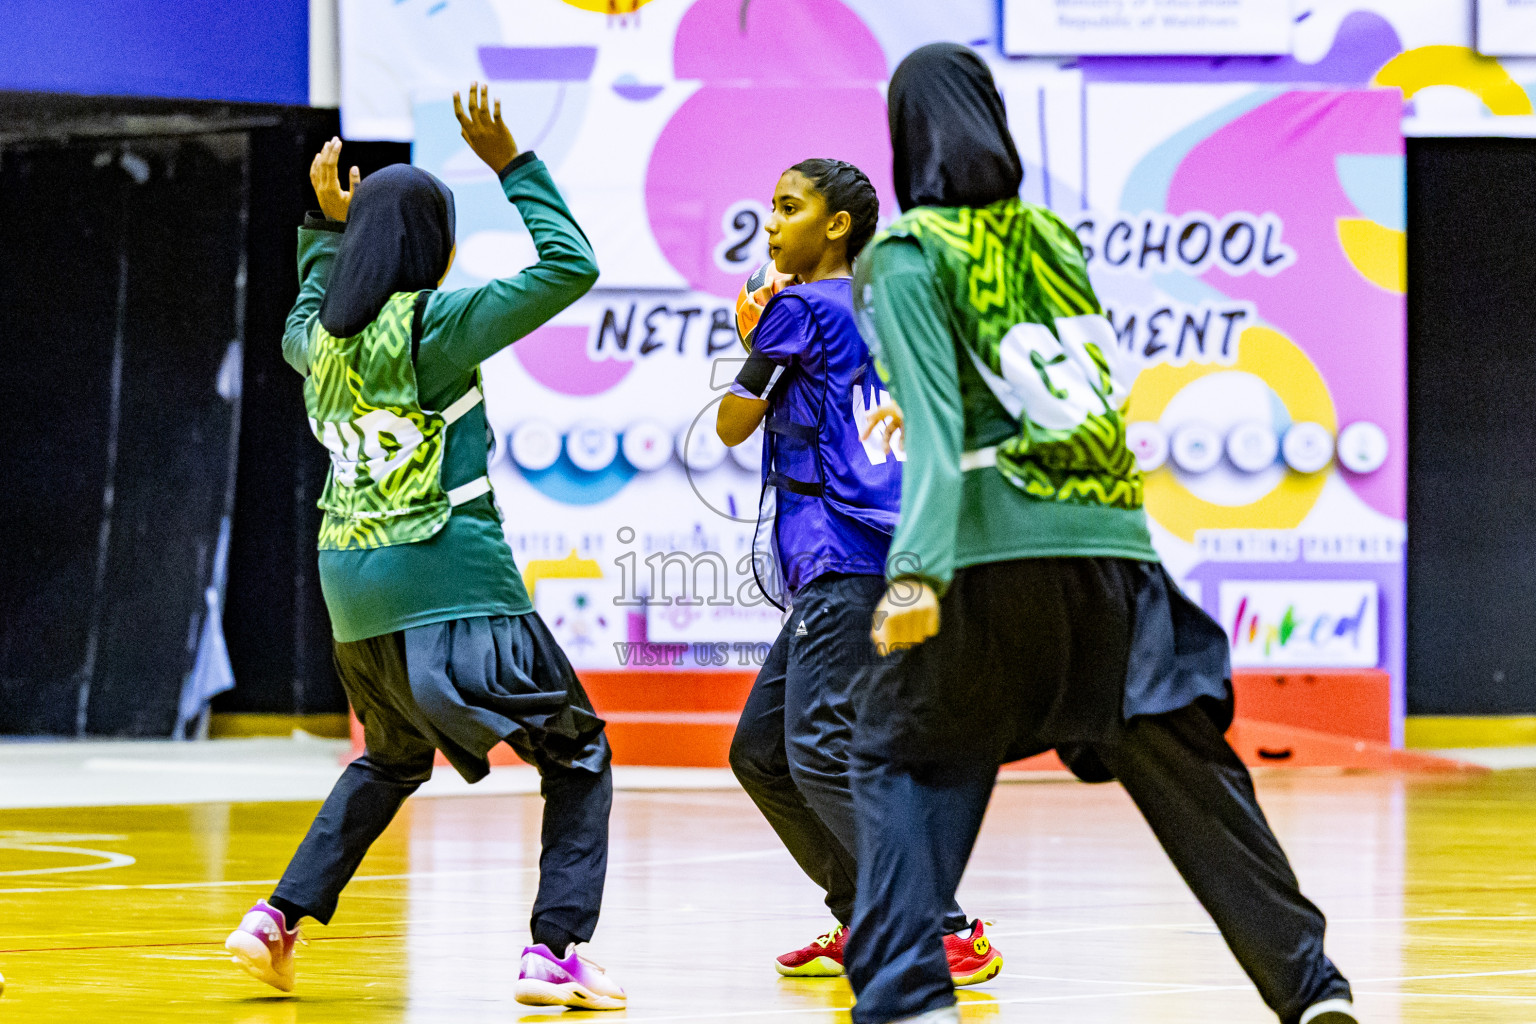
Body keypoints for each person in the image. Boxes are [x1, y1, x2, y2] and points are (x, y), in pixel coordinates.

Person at [843, 44, 1358, 1024]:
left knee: (900, 753)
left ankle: (911, 995)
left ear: (904, 135)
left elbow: (942, 436)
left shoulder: (907, 255)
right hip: (1115, 557)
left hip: (996, 554)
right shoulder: (1051, 238)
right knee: (1191, 770)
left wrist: (914, 575)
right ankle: (1310, 986)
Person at [223, 83, 625, 1012]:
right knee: (580, 754)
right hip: (452, 580)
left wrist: (328, 233)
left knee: (391, 758)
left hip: (350, 594)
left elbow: (304, 314)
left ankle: (278, 918)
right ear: (437, 249)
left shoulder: (314, 344)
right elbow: (571, 266)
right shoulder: (436, 326)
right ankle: (555, 952)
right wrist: (513, 167)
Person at [716, 159, 1002, 985]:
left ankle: (942, 923)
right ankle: (866, 915)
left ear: (837, 225)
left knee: (814, 749)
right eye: (769, 205)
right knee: (762, 752)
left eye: (788, 207)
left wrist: (752, 334)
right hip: (880, 559)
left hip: (842, 559)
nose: (770, 222)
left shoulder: (796, 309)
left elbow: (735, 422)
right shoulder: (881, 310)